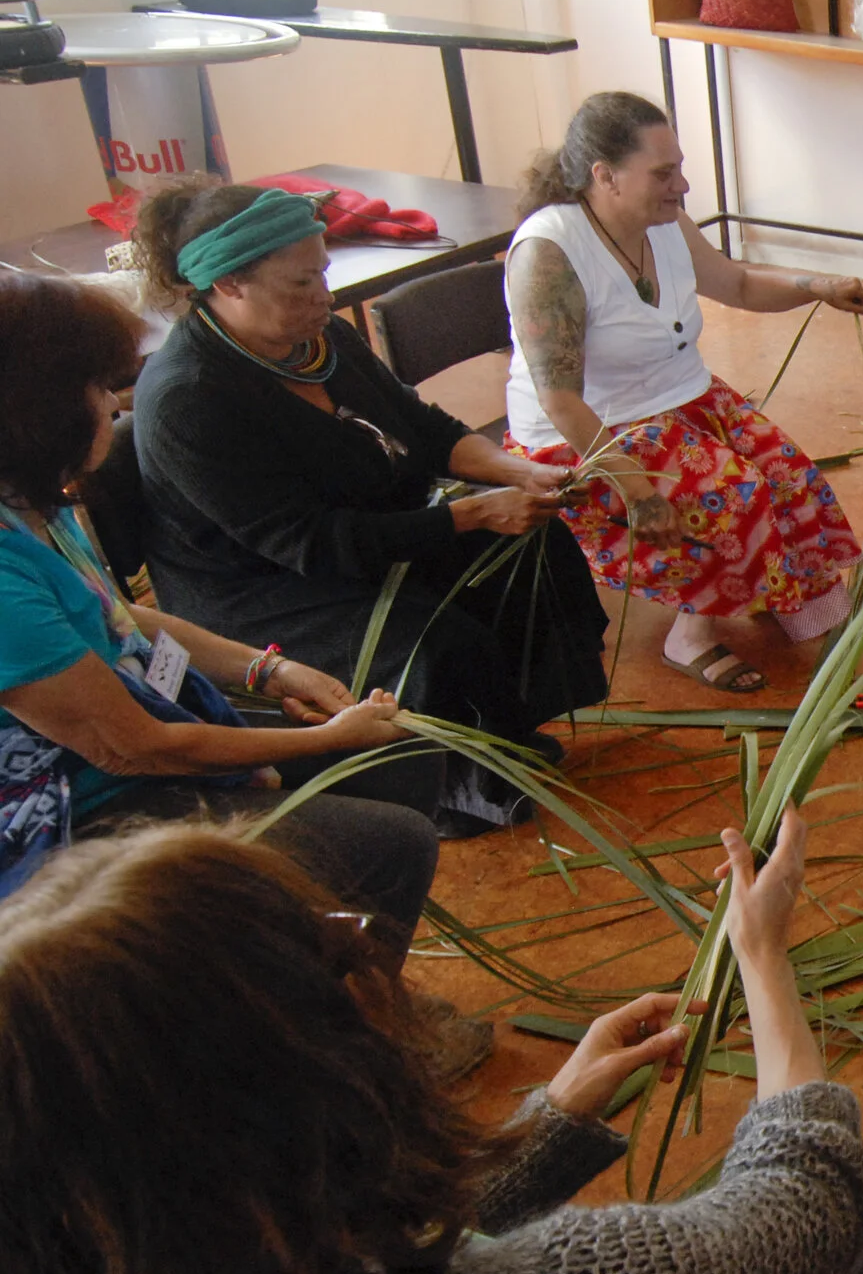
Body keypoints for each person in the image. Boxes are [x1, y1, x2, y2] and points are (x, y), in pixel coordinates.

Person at [0, 811, 863, 1274]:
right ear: (312, 1081)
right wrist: (762, 953)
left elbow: (314, 1268)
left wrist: (549, 1124)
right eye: (337, 954)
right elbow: (807, 1189)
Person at [129, 179, 610, 836]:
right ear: (229, 287)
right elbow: (315, 544)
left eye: (322, 273)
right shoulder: (188, 397)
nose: (323, 297)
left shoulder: (318, 339)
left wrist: (515, 470)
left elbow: (420, 425)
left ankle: (506, 733)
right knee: (435, 641)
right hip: (265, 589)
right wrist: (473, 513)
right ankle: (456, 787)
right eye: (300, 284)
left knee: (535, 545)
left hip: (365, 530)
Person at [0, 274, 437, 945]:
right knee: (387, 843)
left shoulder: (36, 503)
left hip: (150, 719)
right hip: (81, 807)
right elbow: (132, 749)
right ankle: (298, 1010)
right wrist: (328, 739)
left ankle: (334, 982)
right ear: (38, 411)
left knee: (404, 758)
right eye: (95, 388)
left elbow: (119, 618)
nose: (112, 405)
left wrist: (273, 673)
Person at [504, 92, 863, 695]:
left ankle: (779, 594)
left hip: (679, 400)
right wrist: (637, 490)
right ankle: (690, 637)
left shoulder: (662, 220)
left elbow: (736, 282)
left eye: (678, 167)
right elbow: (560, 402)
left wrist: (819, 286)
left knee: (788, 476)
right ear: (605, 176)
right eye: (663, 173)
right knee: (736, 498)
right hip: (591, 435)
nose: (682, 186)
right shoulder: (549, 254)